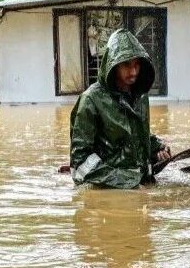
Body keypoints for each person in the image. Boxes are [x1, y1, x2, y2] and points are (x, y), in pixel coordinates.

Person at [70, 29, 172, 189]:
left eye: (137, 64)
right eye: (126, 65)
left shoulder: (141, 96)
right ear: (112, 64)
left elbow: (135, 136)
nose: (133, 72)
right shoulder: (91, 99)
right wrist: (126, 183)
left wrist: (157, 148)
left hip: (141, 183)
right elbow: (80, 160)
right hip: (106, 190)